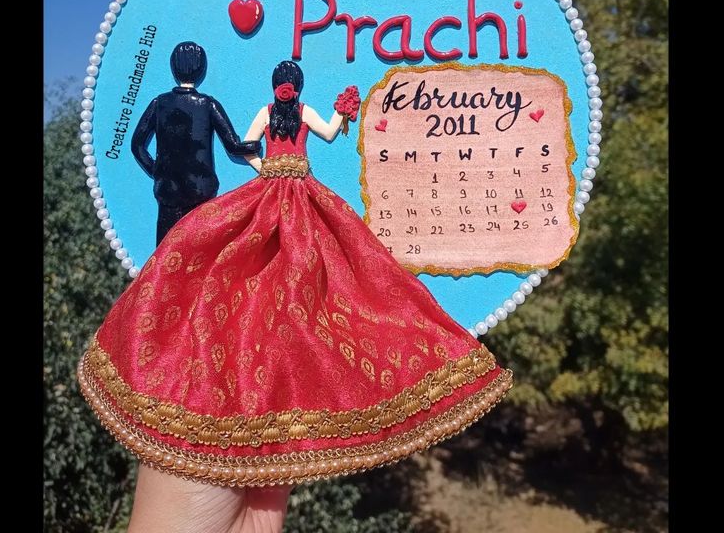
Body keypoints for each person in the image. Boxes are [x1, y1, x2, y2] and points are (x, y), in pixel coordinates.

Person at [78, 60, 512, 519]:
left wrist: (265, 164)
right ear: (296, 86)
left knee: (272, 260)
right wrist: (341, 117)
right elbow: (322, 135)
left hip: (275, 185)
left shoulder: (272, 112)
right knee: (324, 258)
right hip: (296, 188)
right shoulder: (299, 112)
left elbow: (243, 146)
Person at [131, 41, 261, 244]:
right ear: (202, 69)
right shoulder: (207, 104)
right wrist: (254, 146)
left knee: (165, 249)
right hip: (201, 190)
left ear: (173, 68)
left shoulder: (159, 104)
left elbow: (137, 145)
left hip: (168, 190)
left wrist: (157, 170)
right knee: (201, 247)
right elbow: (233, 146)